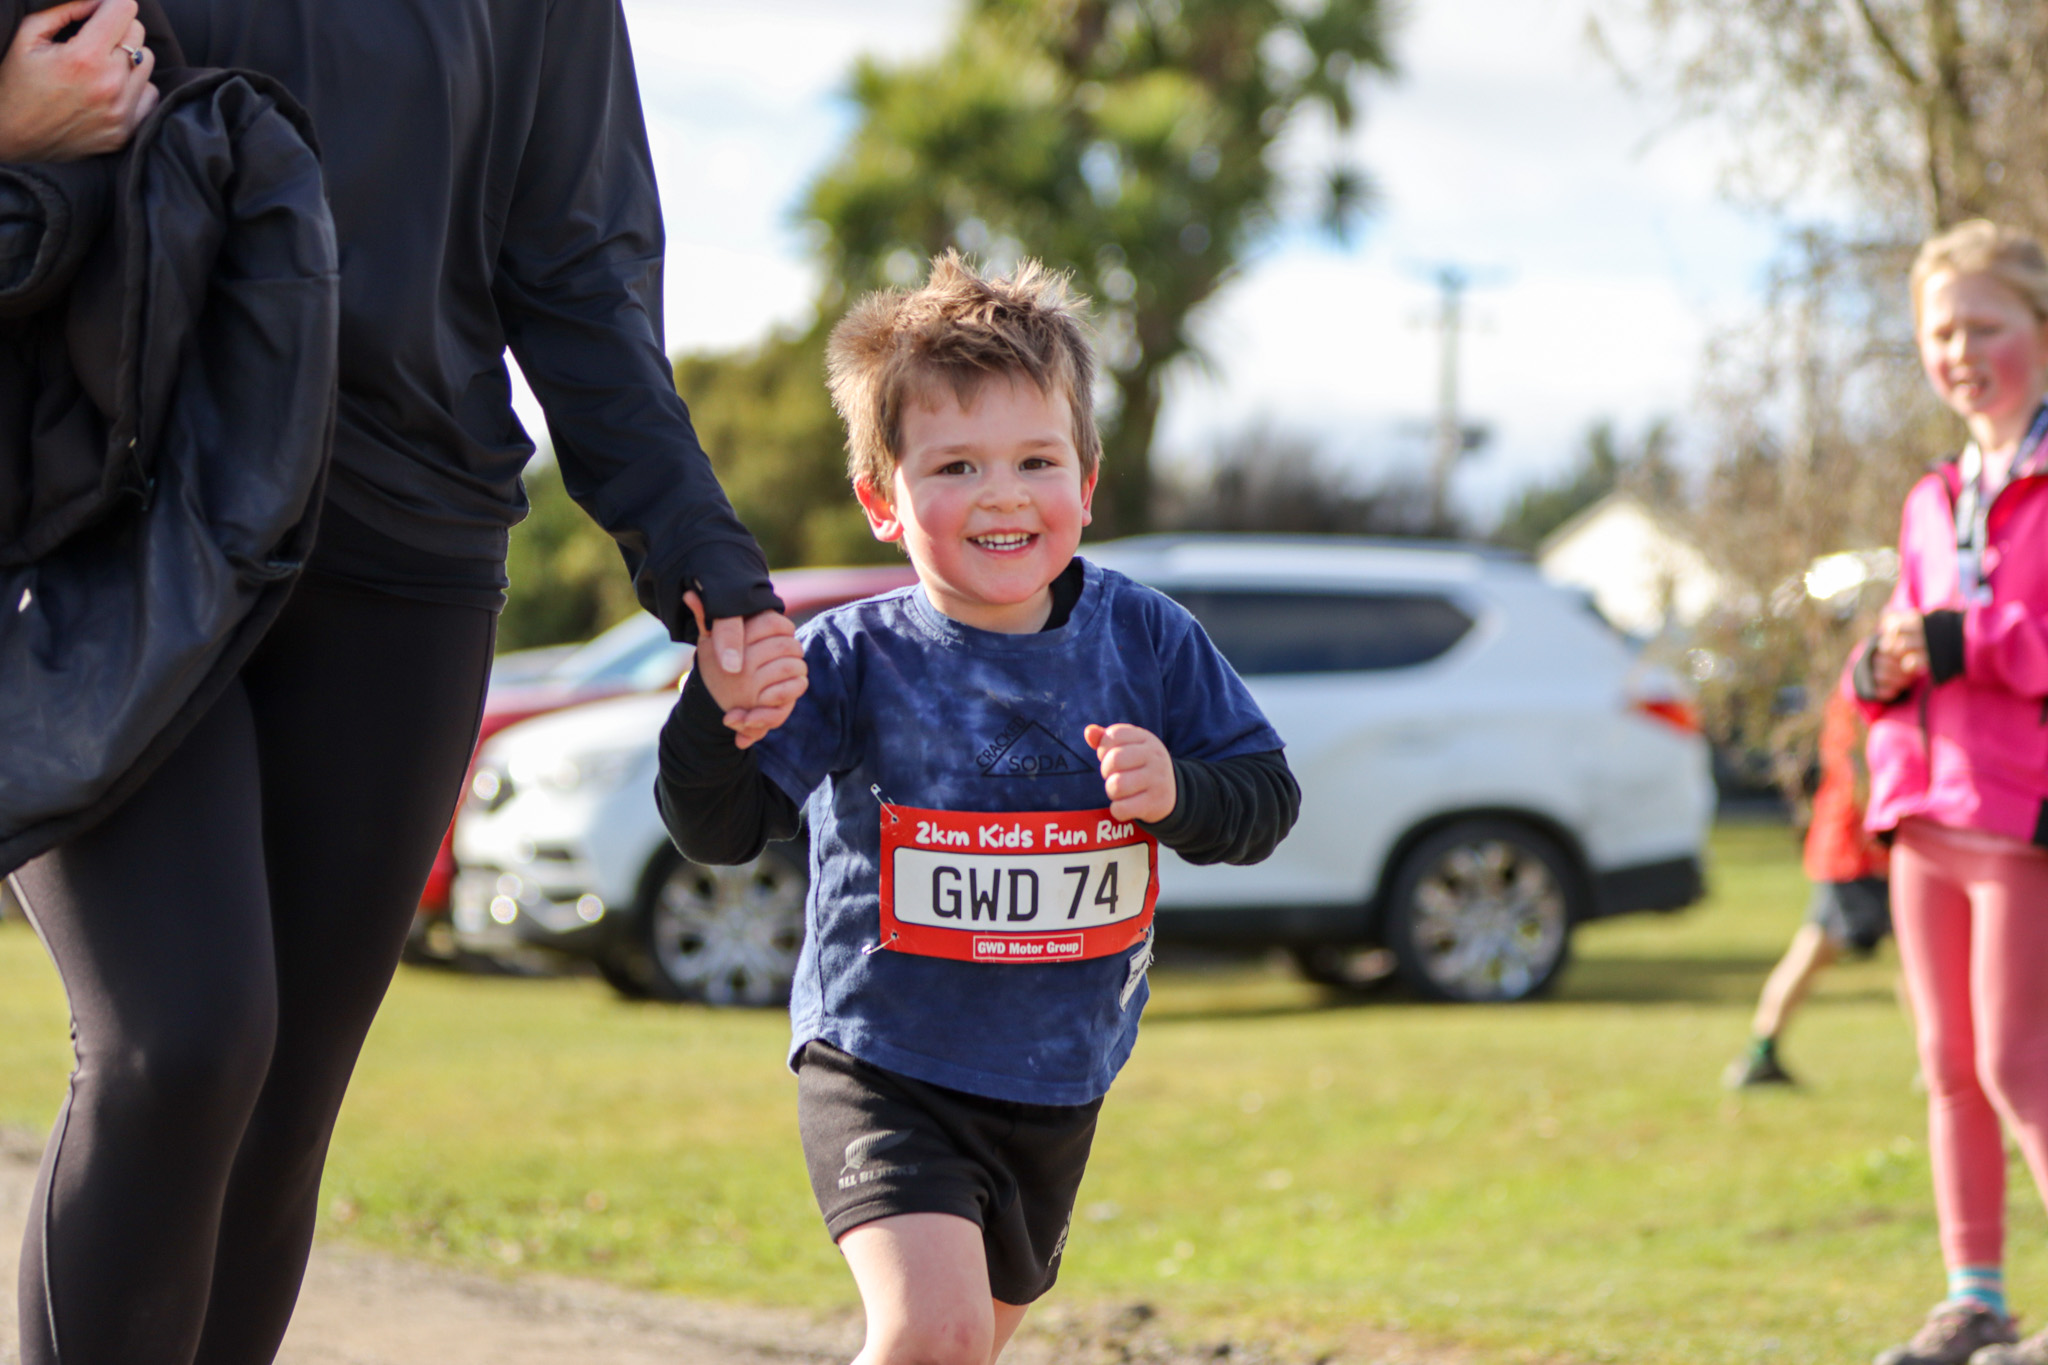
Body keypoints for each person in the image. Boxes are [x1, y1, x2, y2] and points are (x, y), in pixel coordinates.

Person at [0, 1, 800, 1361]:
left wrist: (701, 551)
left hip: (407, 551)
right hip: (106, 518)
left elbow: (574, 264)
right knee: (180, 1043)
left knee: (282, 1107)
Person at [657, 253, 1300, 1365]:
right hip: (883, 1061)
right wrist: (711, 714)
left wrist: (1180, 791)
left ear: (1086, 482)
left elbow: (1266, 797)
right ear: (882, 499)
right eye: (956, 465)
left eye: (1035, 460)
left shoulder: (1147, 640)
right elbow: (720, 827)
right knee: (932, 1333)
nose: (1002, 494)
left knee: (964, 1347)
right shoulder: (852, 658)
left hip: (1060, 1077)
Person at [1857, 219, 2048, 1365]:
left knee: (2019, 1063)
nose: (1959, 351)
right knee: (1946, 1065)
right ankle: (1971, 1298)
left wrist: (1955, 639)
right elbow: (1910, 626)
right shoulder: (1930, 495)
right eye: (1939, 331)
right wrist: (1874, 667)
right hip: (1919, 809)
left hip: (2020, 816)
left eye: (1984, 325)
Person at [1724, 682, 1892, 1089]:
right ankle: (1943, 1059)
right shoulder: (1866, 690)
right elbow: (1861, 776)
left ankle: (1760, 1052)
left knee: (1815, 947)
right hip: (1858, 852)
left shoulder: (1853, 688)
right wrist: (1882, 837)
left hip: (1845, 847)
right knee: (1912, 958)